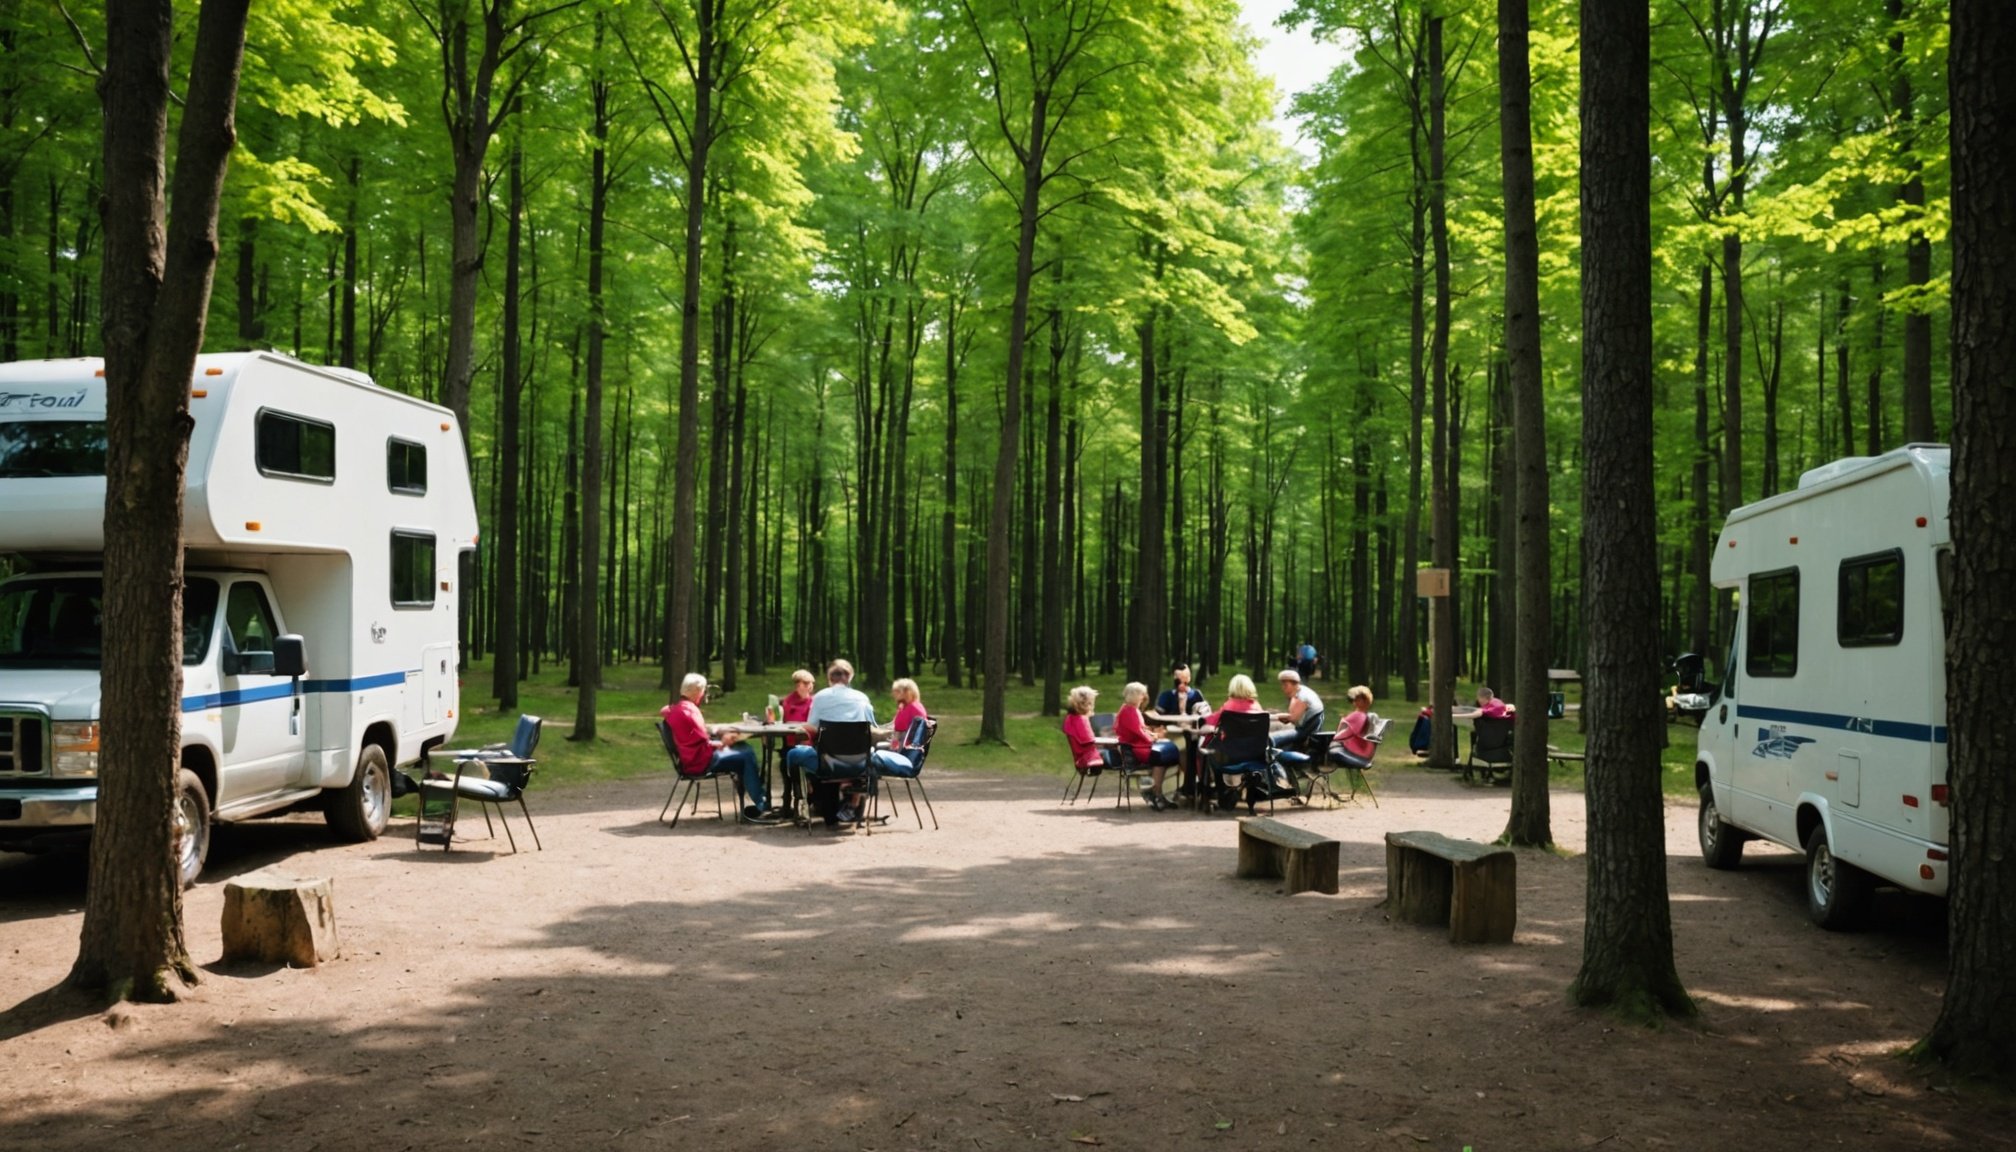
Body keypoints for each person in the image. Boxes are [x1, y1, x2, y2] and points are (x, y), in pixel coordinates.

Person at [662, 672, 775, 823]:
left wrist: (721, 738)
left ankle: (757, 803)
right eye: (702, 691)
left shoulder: (679, 708)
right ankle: (762, 806)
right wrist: (723, 742)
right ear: (696, 691)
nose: (703, 695)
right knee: (746, 755)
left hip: (693, 757)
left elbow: (695, 735)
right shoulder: (690, 711)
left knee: (744, 748)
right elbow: (704, 741)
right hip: (700, 761)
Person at [785, 659, 880, 826]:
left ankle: (804, 801)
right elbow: (872, 727)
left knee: (794, 754)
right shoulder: (862, 698)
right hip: (857, 762)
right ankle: (854, 803)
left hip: (827, 761)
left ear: (830, 679)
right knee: (860, 758)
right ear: (850, 678)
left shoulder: (820, 697)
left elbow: (812, 727)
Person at [1115, 682, 1182, 810]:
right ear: (1134, 696)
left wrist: (1152, 734)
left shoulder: (1129, 709)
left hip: (1137, 746)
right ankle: (1156, 794)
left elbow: (1140, 729)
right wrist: (1155, 737)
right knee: (1164, 756)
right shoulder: (1130, 711)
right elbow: (1139, 732)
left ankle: (1156, 793)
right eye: (1141, 694)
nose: (1144, 696)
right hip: (1135, 750)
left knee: (1166, 756)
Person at [875, 677, 930, 776]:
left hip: (904, 751)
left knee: (868, 747)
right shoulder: (913, 706)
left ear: (907, 692)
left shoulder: (911, 708)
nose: (893, 695)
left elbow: (898, 731)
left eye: (896, 692)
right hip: (906, 747)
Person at [1329, 684, 1378, 773]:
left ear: (1365, 700)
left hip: (1356, 750)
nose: (1354, 701)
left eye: (1357, 699)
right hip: (1364, 750)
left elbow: (1345, 734)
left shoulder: (1358, 715)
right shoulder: (1363, 714)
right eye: (1354, 699)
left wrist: (1332, 739)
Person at [1062, 685, 1110, 775]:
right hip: (1089, 761)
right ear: (1084, 704)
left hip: (1079, 759)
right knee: (1120, 756)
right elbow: (1089, 739)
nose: (1093, 706)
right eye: (1091, 703)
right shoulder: (1081, 720)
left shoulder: (1070, 718)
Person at [1272, 668, 1325, 748]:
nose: (1283, 687)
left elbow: (1293, 718)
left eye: (1286, 685)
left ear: (1295, 684)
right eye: (1282, 684)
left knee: (1272, 737)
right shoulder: (1299, 692)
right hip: (1303, 728)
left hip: (1304, 731)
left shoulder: (1302, 696)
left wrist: (1274, 716)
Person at [779, 668, 816, 748]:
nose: (810, 686)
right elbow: (787, 723)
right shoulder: (789, 701)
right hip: (795, 740)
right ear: (797, 685)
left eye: (811, 683)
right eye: (806, 683)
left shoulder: (814, 700)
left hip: (811, 739)